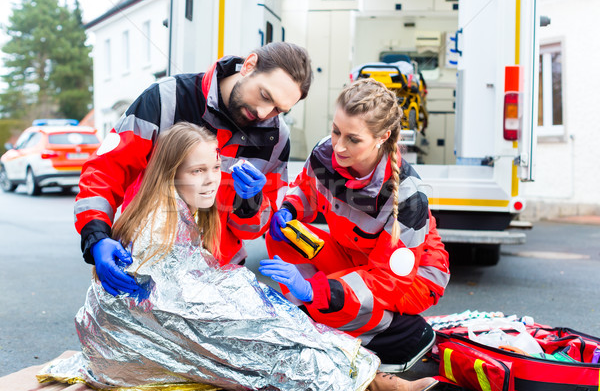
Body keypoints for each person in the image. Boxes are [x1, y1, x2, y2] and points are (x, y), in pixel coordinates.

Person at [40, 122, 437, 391]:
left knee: (279, 321)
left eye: (215, 166)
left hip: (406, 280)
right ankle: (373, 378)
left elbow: (237, 241)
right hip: (130, 341)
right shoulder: (158, 216)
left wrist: (253, 206)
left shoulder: (407, 199)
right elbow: (170, 297)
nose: (212, 178)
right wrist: (247, 293)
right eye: (197, 171)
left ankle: (368, 374)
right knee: (271, 336)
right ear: (170, 172)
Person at [74, 42, 312, 297]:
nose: (264, 113)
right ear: (249, 65)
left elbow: (253, 229)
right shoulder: (167, 99)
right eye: (265, 95)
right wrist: (96, 235)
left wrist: (250, 201)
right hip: (145, 265)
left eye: (279, 109)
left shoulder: (276, 136)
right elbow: (106, 170)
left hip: (218, 278)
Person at [261, 78, 451, 373]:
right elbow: (307, 190)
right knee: (286, 235)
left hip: (413, 278)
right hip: (353, 254)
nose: (338, 145)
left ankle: (404, 335)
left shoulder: (408, 199)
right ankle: (315, 312)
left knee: (330, 300)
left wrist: (318, 291)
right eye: (336, 131)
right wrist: (289, 209)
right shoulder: (325, 155)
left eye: (353, 139)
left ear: (382, 137)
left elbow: (388, 281)